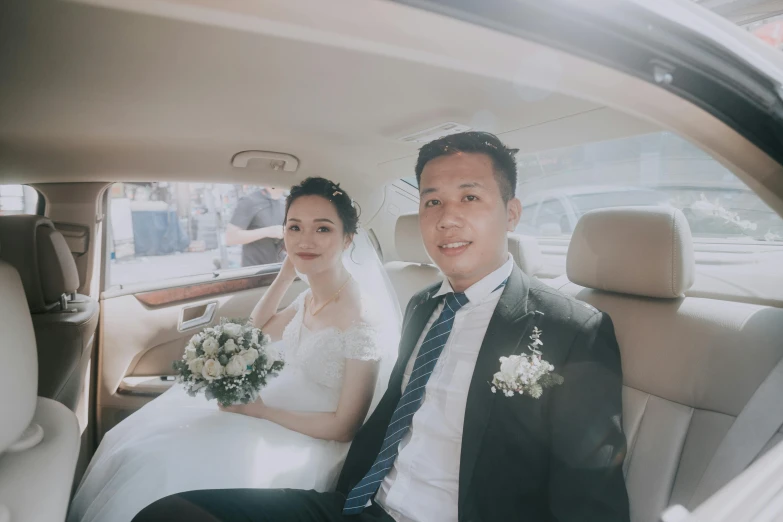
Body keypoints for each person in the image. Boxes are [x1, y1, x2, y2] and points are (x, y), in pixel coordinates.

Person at [132, 132, 630, 522]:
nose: (447, 219)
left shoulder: (571, 330)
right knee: (167, 514)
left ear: (511, 214)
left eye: (470, 198)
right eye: (432, 201)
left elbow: (591, 501)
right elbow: (390, 416)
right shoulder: (421, 307)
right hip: (359, 508)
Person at [67, 178, 400, 522]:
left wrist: (261, 412)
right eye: (294, 227)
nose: (305, 240)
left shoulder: (361, 315)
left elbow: (344, 427)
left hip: (314, 434)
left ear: (347, 238)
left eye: (323, 229)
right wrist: (286, 275)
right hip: (282, 407)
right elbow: (256, 331)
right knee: (147, 445)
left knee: (171, 464)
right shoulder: (309, 296)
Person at [225, 186, 288, 267]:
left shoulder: (286, 203)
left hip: (279, 269)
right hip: (254, 271)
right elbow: (230, 238)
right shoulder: (249, 201)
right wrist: (268, 231)